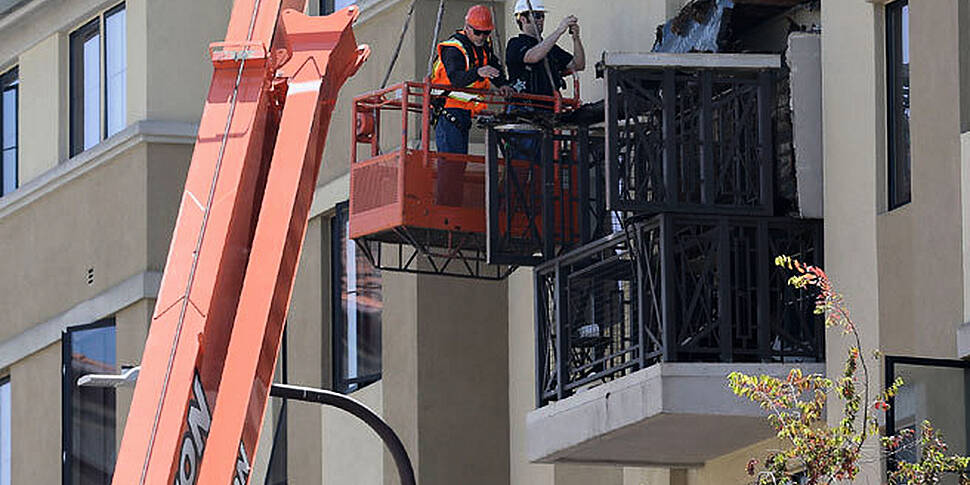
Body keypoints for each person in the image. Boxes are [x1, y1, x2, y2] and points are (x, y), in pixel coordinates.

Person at [430, 5, 513, 206]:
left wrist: (503, 84)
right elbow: (456, 78)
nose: (481, 37)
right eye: (478, 33)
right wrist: (478, 72)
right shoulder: (453, 48)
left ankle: (452, 204)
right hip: (448, 111)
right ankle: (447, 206)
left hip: (463, 113)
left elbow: (494, 66)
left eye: (486, 33)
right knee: (452, 162)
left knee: (459, 163)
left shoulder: (484, 46)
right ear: (467, 28)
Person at [506, 0, 585, 108]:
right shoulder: (515, 44)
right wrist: (559, 31)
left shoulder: (549, 47)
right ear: (523, 19)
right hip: (524, 108)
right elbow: (532, 57)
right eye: (537, 16)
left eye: (542, 16)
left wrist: (576, 38)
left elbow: (578, 65)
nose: (541, 20)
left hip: (550, 108)